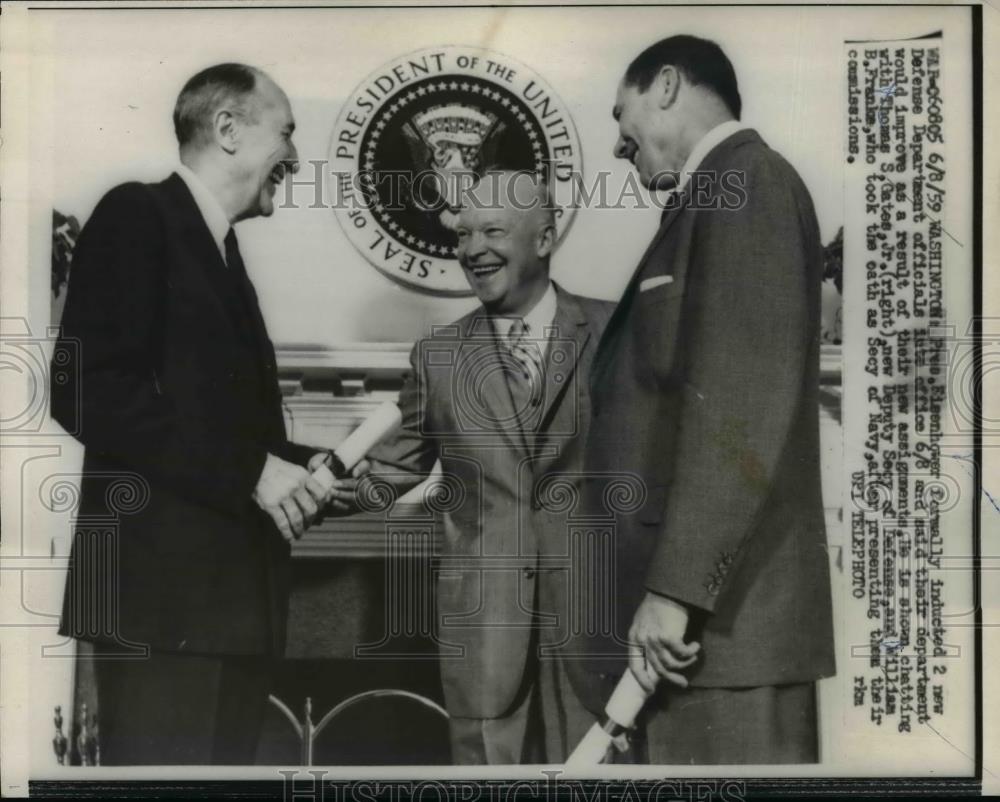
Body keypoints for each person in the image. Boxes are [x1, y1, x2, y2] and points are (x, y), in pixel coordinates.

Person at [50, 63, 335, 765]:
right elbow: (86, 389)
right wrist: (254, 470)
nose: (297, 156)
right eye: (288, 131)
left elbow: (219, 430)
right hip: (165, 614)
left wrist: (307, 470)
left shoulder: (222, 252)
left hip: (229, 618)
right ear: (229, 130)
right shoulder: (137, 214)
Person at [572, 35, 836, 763]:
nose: (620, 149)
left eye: (620, 117)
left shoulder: (750, 182)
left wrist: (675, 593)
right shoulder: (715, 195)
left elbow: (739, 417)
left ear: (665, 85)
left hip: (720, 637)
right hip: (697, 643)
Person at [343, 170, 614, 764]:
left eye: (492, 230)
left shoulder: (617, 332)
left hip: (598, 623)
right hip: (484, 631)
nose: (472, 250)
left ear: (543, 239)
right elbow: (388, 475)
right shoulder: (437, 356)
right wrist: (311, 483)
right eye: (464, 235)